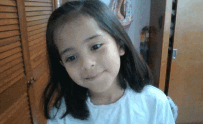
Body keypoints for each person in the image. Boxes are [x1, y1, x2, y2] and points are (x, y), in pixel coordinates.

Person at [42, 0, 177, 123]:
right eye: (71, 57)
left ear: (120, 45)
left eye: (96, 46)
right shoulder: (61, 115)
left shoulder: (154, 102)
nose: (87, 64)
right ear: (62, 64)